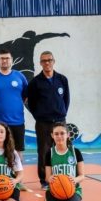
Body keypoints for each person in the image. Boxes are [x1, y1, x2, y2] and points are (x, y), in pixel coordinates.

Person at [0, 49, 28, 190]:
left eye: (7, 58)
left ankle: (18, 181)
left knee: (18, 152)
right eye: (2, 58)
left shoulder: (20, 77)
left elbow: (25, 97)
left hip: (17, 121)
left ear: (12, 60)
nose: (4, 61)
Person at [27, 51, 70, 190]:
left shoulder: (62, 79)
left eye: (49, 60)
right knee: (44, 151)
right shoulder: (35, 82)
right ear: (40, 63)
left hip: (60, 121)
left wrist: (61, 113)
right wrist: (39, 115)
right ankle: (44, 180)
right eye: (44, 60)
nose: (47, 62)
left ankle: (65, 176)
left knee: (62, 148)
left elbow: (66, 100)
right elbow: (31, 103)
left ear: (53, 61)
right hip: (43, 122)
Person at [45, 123, 84, 201]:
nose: (59, 136)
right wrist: (50, 179)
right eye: (56, 134)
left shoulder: (75, 152)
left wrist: (75, 179)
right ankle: (49, 199)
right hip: (55, 189)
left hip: (73, 189)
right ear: (52, 135)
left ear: (68, 135)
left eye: (62, 133)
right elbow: (47, 177)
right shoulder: (49, 153)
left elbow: (82, 176)